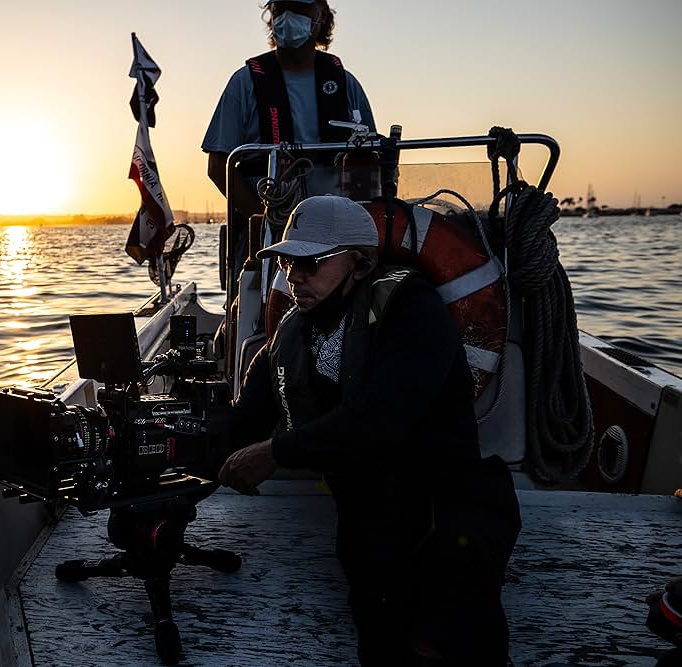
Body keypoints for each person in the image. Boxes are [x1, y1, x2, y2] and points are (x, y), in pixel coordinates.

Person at [217, 195, 522, 665]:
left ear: (359, 264)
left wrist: (274, 452)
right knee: (381, 638)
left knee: (447, 643)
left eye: (310, 263)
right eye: (286, 262)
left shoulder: (412, 308)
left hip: (444, 509)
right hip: (371, 515)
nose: (294, 276)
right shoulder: (291, 334)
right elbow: (244, 422)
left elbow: (382, 415)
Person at [202, 0, 376, 218]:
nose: (288, 17)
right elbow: (218, 167)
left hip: (336, 221)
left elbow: (373, 161)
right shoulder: (245, 83)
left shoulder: (346, 84)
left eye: (299, 8)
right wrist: (262, 221)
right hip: (270, 220)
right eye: (281, 10)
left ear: (321, 16)